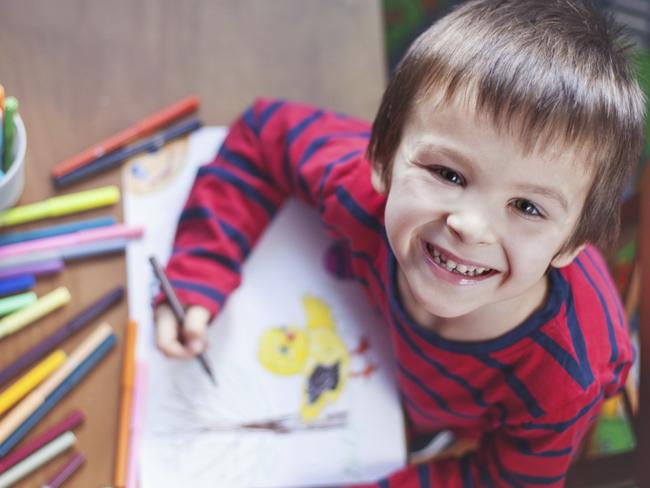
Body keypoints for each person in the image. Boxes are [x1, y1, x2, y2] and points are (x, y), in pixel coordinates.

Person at [154, 0, 645, 485]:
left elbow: (506, 480)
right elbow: (264, 133)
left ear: (572, 245)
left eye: (528, 207)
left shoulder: (568, 374)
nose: (470, 226)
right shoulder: (356, 188)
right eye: (448, 173)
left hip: (446, 424)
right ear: (383, 158)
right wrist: (198, 273)